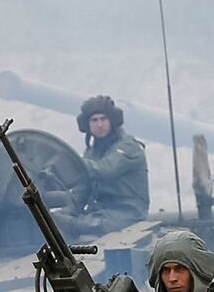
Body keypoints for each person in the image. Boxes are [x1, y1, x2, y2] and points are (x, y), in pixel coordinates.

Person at [47, 95, 148, 236]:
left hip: (128, 214)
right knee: (53, 223)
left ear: (112, 121)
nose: (99, 124)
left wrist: (70, 161)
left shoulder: (128, 146)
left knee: (83, 225)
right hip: (101, 214)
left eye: (103, 119)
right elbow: (80, 194)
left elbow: (105, 169)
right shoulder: (91, 154)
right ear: (87, 124)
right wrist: (53, 214)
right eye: (94, 120)